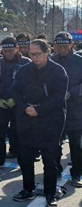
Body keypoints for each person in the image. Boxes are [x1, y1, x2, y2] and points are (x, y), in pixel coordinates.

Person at [12, 39, 67, 206]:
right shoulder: (23, 71)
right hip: (27, 119)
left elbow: (58, 97)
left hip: (50, 120)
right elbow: (15, 91)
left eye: (37, 54)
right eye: (31, 54)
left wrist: (39, 110)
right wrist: (25, 108)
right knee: (25, 157)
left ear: (47, 52)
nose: (34, 57)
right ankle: (27, 189)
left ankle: (50, 193)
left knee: (49, 158)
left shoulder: (58, 71)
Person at [50, 32, 82, 187]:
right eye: (58, 46)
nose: (61, 49)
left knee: (76, 144)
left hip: (76, 109)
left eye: (64, 46)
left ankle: (77, 174)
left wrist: (72, 92)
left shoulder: (80, 61)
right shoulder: (50, 60)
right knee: (54, 143)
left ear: (72, 45)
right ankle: (54, 170)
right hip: (55, 110)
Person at [0, 37, 30, 167]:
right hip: (1, 103)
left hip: (19, 105)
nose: (7, 53)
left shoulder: (26, 63)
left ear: (17, 49)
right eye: (5, 51)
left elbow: (30, 86)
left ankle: (23, 161)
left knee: (19, 134)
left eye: (10, 50)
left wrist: (17, 100)